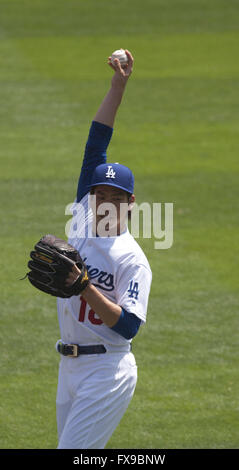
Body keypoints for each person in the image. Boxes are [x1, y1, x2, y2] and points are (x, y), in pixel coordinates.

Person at [55, 50, 152, 449]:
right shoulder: (80, 217)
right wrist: (117, 86)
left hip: (107, 371)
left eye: (116, 196)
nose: (105, 201)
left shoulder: (132, 259)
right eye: (99, 194)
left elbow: (129, 326)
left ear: (130, 203)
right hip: (69, 368)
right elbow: (96, 143)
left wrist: (84, 287)